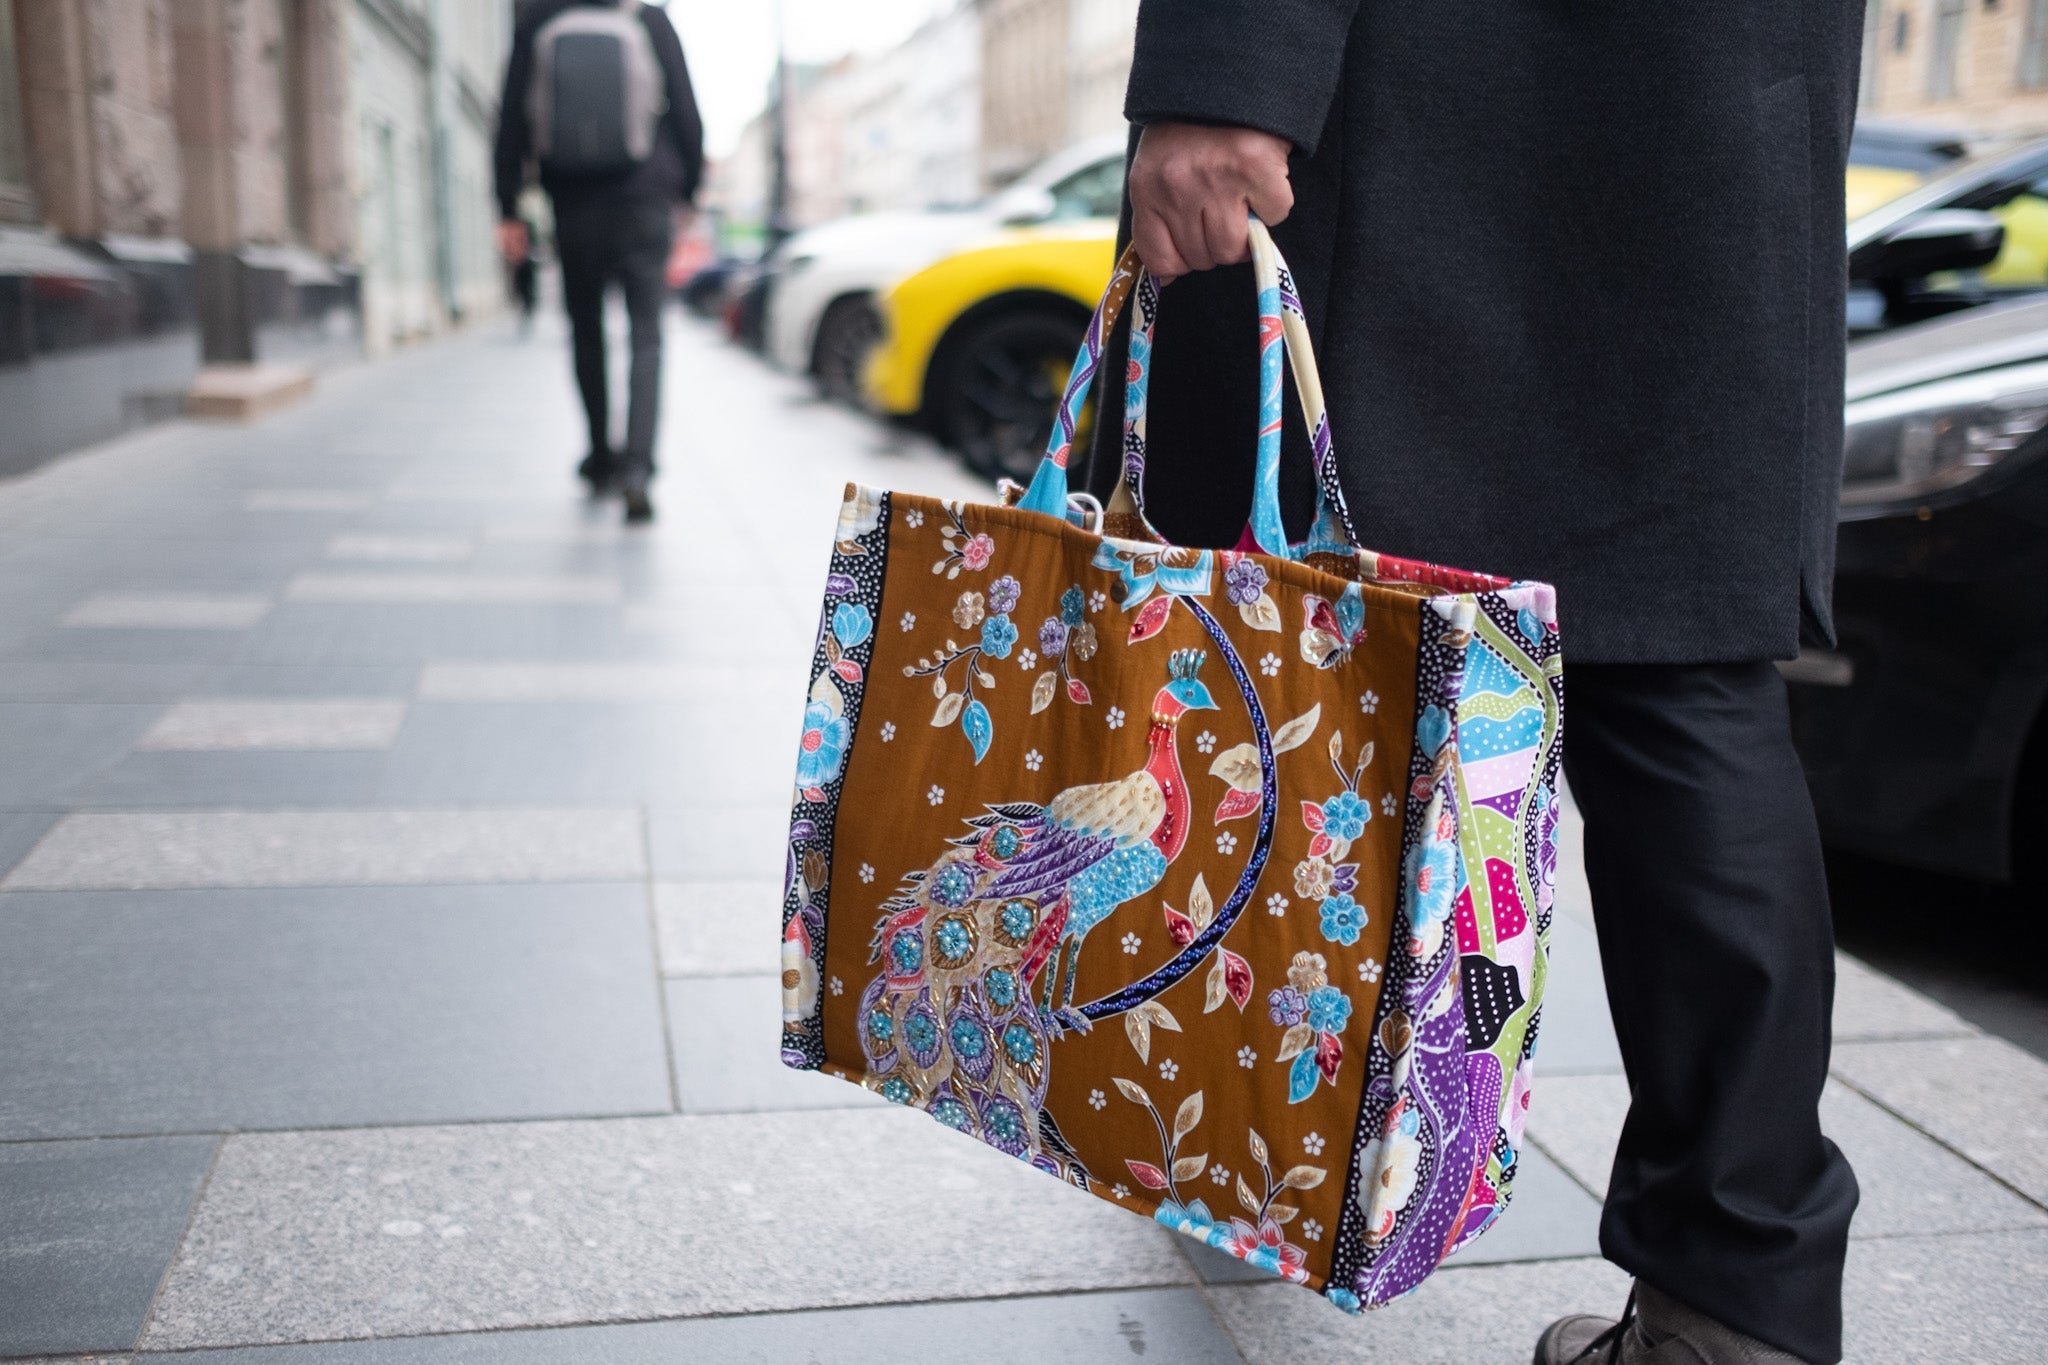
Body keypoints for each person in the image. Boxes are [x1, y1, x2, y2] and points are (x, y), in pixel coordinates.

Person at [1092, 5, 1864, 1363]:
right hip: (1715, 107)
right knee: (1678, 679)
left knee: (1294, 649)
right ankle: (1738, 1301)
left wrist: (1227, 74)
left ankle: (1241, 1126)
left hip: (1425, 108)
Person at [494, 0, 704, 523]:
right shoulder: (648, 19)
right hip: (645, 200)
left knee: (586, 330)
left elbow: (511, 119)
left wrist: (508, 205)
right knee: (646, 336)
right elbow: (686, 113)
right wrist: (688, 192)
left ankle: (601, 457)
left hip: (573, 201)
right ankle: (639, 467)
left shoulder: (536, 20)